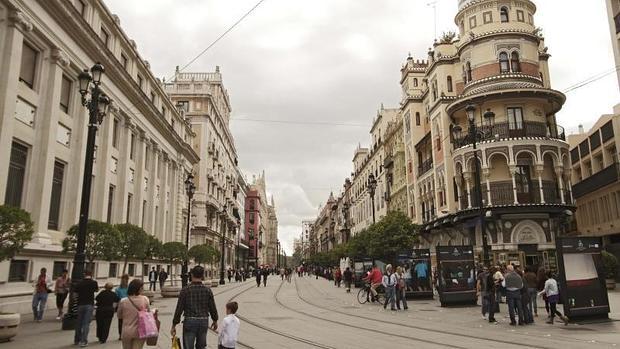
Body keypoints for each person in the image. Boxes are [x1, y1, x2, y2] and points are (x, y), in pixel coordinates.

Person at [172, 266, 219, 349]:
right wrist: (215, 320)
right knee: (201, 346)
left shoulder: (185, 290)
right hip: (203, 320)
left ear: (192, 275)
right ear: (202, 275)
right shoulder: (207, 290)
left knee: (188, 346)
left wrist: (174, 324)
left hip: (190, 320)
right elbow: (212, 307)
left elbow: (179, 309)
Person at [117, 279, 151, 349]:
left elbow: (119, 316)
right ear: (139, 289)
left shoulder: (123, 301)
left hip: (126, 331)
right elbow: (148, 313)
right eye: (142, 288)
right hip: (140, 331)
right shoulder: (145, 299)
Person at [74, 270, 99, 347]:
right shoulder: (94, 282)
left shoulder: (79, 283)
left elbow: (75, 295)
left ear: (84, 274)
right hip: (89, 304)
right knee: (86, 323)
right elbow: (96, 290)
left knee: (79, 323)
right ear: (91, 274)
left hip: (80, 304)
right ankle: (83, 341)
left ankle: (77, 339)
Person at [116, 274, 130, 340]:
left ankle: (125, 333)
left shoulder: (129, 288)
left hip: (128, 305)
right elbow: (116, 298)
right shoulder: (118, 289)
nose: (125, 281)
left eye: (126, 279)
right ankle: (121, 334)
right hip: (122, 305)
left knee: (127, 320)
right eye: (124, 279)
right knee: (121, 321)